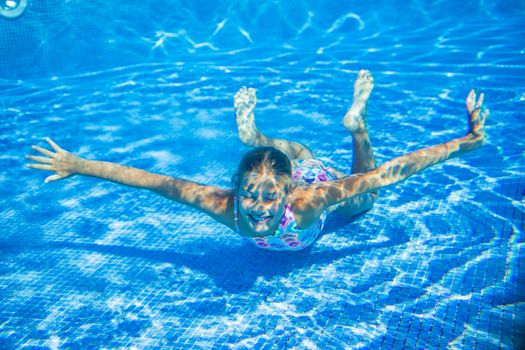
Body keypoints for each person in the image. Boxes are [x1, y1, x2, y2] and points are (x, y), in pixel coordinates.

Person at [26, 70, 488, 251]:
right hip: (296, 168)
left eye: (269, 198)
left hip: (315, 179)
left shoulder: (306, 203)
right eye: (250, 195)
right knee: (299, 153)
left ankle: (356, 127)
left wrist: (464, 143)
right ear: (236, 190)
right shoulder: (226, 206)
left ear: (286, 194)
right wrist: (75, 163)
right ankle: (258, 137)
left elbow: (388, 173)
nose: (259, 209)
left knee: (365, 194)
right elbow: (153, 181)